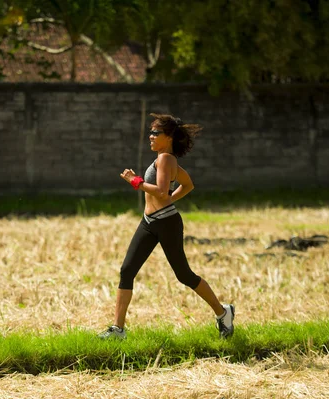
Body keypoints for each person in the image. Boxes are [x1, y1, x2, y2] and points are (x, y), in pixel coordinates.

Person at [99, 113, 234, 340]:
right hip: (149, 222)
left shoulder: (166, 159)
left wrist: (137, 182)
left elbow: (162, 191)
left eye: (155, 133)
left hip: (166, 223)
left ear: (169, 137)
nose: (150, 136)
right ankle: (117, 329)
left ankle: (223, 313)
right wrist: (169, 196)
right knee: (127, 270)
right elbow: (187, 184)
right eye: (150, 132)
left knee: (184, 275)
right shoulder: (163, 159)